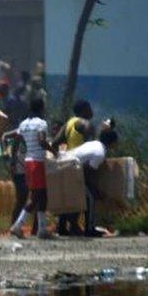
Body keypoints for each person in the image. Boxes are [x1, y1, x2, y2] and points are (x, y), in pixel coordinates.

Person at [5, 98, 51, 239]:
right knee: (36, 197)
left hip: (28, 162)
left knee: (43, 195)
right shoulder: (41, 123)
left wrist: (13, 160)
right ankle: (17, 226)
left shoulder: (24, 124)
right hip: (38, 162)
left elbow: (15, 143)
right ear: (42, 108)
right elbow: (42, 141)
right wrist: (53, 150)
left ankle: (42, 229)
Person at [67, 126, 119, 238]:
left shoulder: (94, 144)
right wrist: (95, 189)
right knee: (90, 199)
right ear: (112, 142)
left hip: (65, 169)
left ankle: (68, 227)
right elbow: (88, 171)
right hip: (72, 172)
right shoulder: (100, 153)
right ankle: (89, 229)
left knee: (78, 200)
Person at [53, 99, 94, 236]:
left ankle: (62, 227)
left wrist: (59, 157)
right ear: (83, 110)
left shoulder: (69, 123)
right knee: (87, 197)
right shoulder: (85, 124)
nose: (91, 111)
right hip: (81, 165)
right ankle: (87, 228)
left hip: (67, 163)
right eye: (89, 108)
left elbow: (55, 142)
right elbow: (91, 146)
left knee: (68, 195)